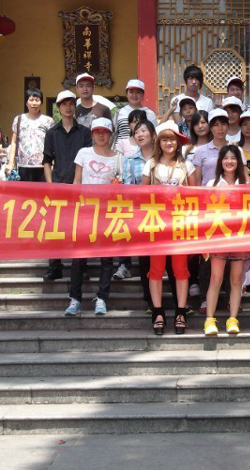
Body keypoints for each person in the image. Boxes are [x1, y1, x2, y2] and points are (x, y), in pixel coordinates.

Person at [142, 121, 197, 335]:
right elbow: (141, 195)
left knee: (180, 269)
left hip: (180, 223)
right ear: (158, 142)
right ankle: (158, 312)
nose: (169, 143)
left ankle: (181, 311)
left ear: (178, 142)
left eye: (172, 139)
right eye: (164, 139)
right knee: (155, 269)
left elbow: (196, 195)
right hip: (156, 223)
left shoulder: (187, 165)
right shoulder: (150, 164)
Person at [64, 118, 120, 317]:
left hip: (107, 213)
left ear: (110, 134)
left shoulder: (118, 158)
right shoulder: (84, 153)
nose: (101, 135)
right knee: (79, 258)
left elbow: (120, 184)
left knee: (106, 258)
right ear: (92, 134)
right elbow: (77, 181)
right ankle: (75, 299)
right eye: (97, 132)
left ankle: (102, 298)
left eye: (105, 132)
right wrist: (74, 207)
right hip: (85, 211)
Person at [43, 90, 93, 282]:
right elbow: (47, 160)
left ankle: (81, 267)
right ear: (58, 107)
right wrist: (50, 185)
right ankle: (55, 266)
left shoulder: (85, 132)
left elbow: (88, 159)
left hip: (80, 187)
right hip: (58, 185)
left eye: (71, 103)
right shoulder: (51, 133)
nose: (68, 107)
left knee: (80, 228)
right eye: (64, 104)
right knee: (55, 227)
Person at [204, 145, 249, 336]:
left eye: (233, 158)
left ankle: (233, 319)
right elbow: (204, 213)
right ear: (220, 162)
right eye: (225, 158)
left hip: (240, 237)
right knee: (216, 278)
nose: (229, 161)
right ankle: (209, 320)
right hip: (218, 237)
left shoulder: (246, 184)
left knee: (236, 279)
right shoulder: (212, 184)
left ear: (239, 161)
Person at [115, 119, 161, 290]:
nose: (140, 134)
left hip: (163, 212)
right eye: (136, 132)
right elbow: (128, 187)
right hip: (142, 212)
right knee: (145, 256)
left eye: (143, 131)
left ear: (153, 134)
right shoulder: (130, 160)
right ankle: (148, 295)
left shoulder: (163, 157)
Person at [8, 88, 54, 182]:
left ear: (41, 103)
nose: (34, 103)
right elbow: (14, 142)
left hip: (43, 166)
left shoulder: (48, 121)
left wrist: (53, 163)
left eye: (37, 100)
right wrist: (10, 162)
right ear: (26, 103)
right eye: (31, 100)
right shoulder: (19, 119)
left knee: (43, 191)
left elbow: (53, 144)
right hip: (23, 165)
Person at [194, 109, 243, 186]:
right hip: (208, 192)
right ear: (210, 128)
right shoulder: (200, 151)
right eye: (216, 125)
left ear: (228, 126)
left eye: (223, 124)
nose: (220, 128)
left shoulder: (237, 150)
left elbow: (244, 176)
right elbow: (197, 183)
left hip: (232, 192)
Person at [114, 79, 157, 144]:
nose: (134, 95)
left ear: (143, 95)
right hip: (120, 149)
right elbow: (114, 132)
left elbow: (155, 134)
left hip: (142, 149)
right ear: (126, 94)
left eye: (138, 92)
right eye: (131, 92)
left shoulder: (150, 114)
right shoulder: (119, 112)